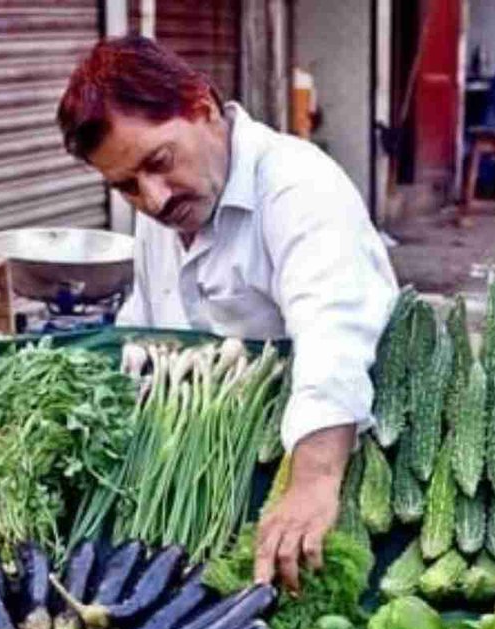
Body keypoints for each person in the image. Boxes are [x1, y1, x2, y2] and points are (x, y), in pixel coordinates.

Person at [57, 36, 397, 593]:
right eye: (126, 187)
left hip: (323, 447)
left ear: (202, 108)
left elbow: (333, 338)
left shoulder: (298, 187)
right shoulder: (166, 207)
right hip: (215, 465)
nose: (154, 199)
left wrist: (313, 482)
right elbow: (148, 333)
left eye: (159, 163)